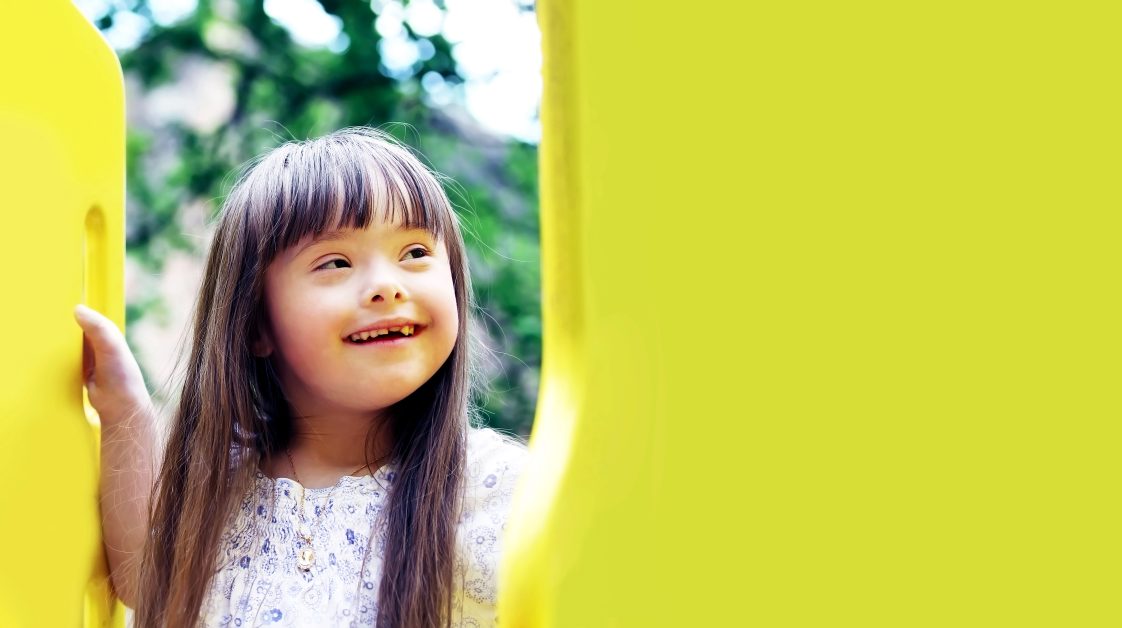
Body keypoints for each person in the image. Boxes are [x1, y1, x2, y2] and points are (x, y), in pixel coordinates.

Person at [74, 128, 530, 627]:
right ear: (256, 323)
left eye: (416, 253)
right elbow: (146, 581)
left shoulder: (501, 490)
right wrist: (124, 411)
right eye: (335, 262)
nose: (386, 285)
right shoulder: (221, 489)